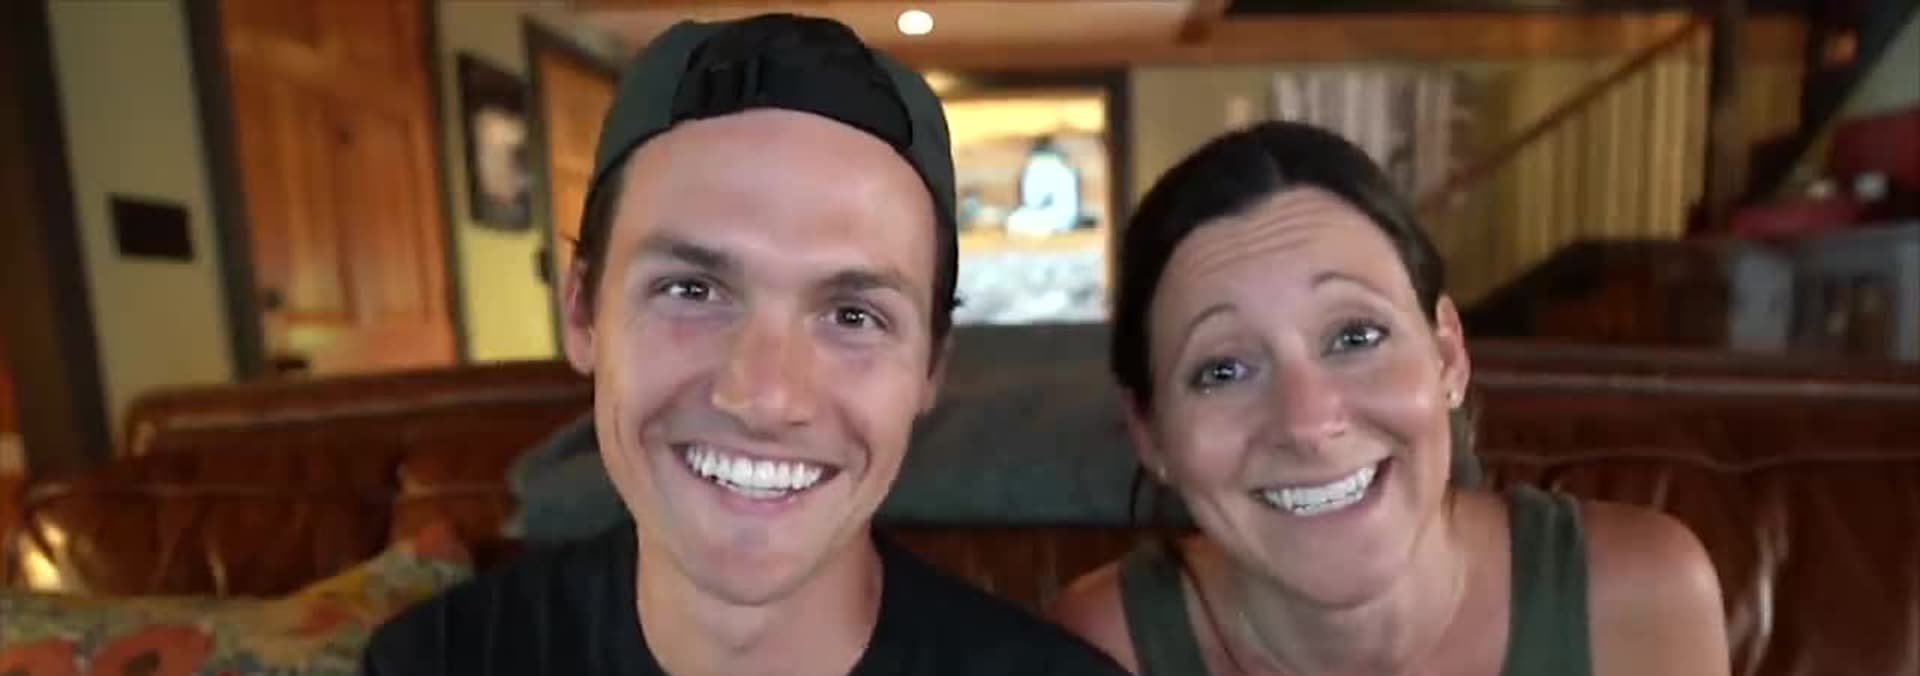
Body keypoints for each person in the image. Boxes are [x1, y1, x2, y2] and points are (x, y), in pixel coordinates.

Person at [361, 14, 1127, 676]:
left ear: (931, 367)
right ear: (583, 314)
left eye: (853, 315)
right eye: (692, 290)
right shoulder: (432, 662)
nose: (764, 398)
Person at [1047, 121, 1729, 676]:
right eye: (1222, 370)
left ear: (1447, 356)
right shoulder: (1105, 646)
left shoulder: (1638, 597)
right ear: (1150, 434)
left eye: (1355, 336)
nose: (1308, 422)